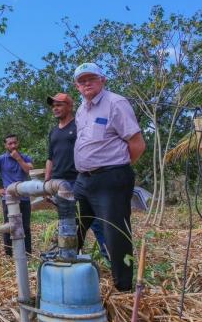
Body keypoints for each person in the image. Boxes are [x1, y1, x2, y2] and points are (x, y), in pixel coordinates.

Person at [72, 62, 146, 292]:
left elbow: (137, 144)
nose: (86, 84)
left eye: (91, 79)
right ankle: (67, 279)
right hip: (83, 180)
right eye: (82, 81)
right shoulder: (81, 109)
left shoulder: (116, 103)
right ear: (77, 86)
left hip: (111, 178)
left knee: (116, 235)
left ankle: (123, 289)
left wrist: (117, 168)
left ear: (102, 79)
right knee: (72, 228)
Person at [45, 92, 108, 259]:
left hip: (78, 180)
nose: (55, 108)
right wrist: (46, 182)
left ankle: (108, 255)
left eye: (59, 105)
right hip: (58, 183)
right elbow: (50, 158)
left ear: (70, 106)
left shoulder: (78, 126)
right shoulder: (53, 132)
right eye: (53, 106)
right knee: (66, 221)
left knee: (91, 220)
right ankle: (70, 254)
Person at [0, 134, 33, 256]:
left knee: (25, 226)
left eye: (14, 143)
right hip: (9, 199)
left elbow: (29, 171)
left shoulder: (25, 157)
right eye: (10, 143)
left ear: (18, 143)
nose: (12, 145)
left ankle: (27, 254)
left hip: (24, 198)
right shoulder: (0, 159)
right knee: (9, 226)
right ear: (5, 145)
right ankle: (9, 254)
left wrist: (18, 158)